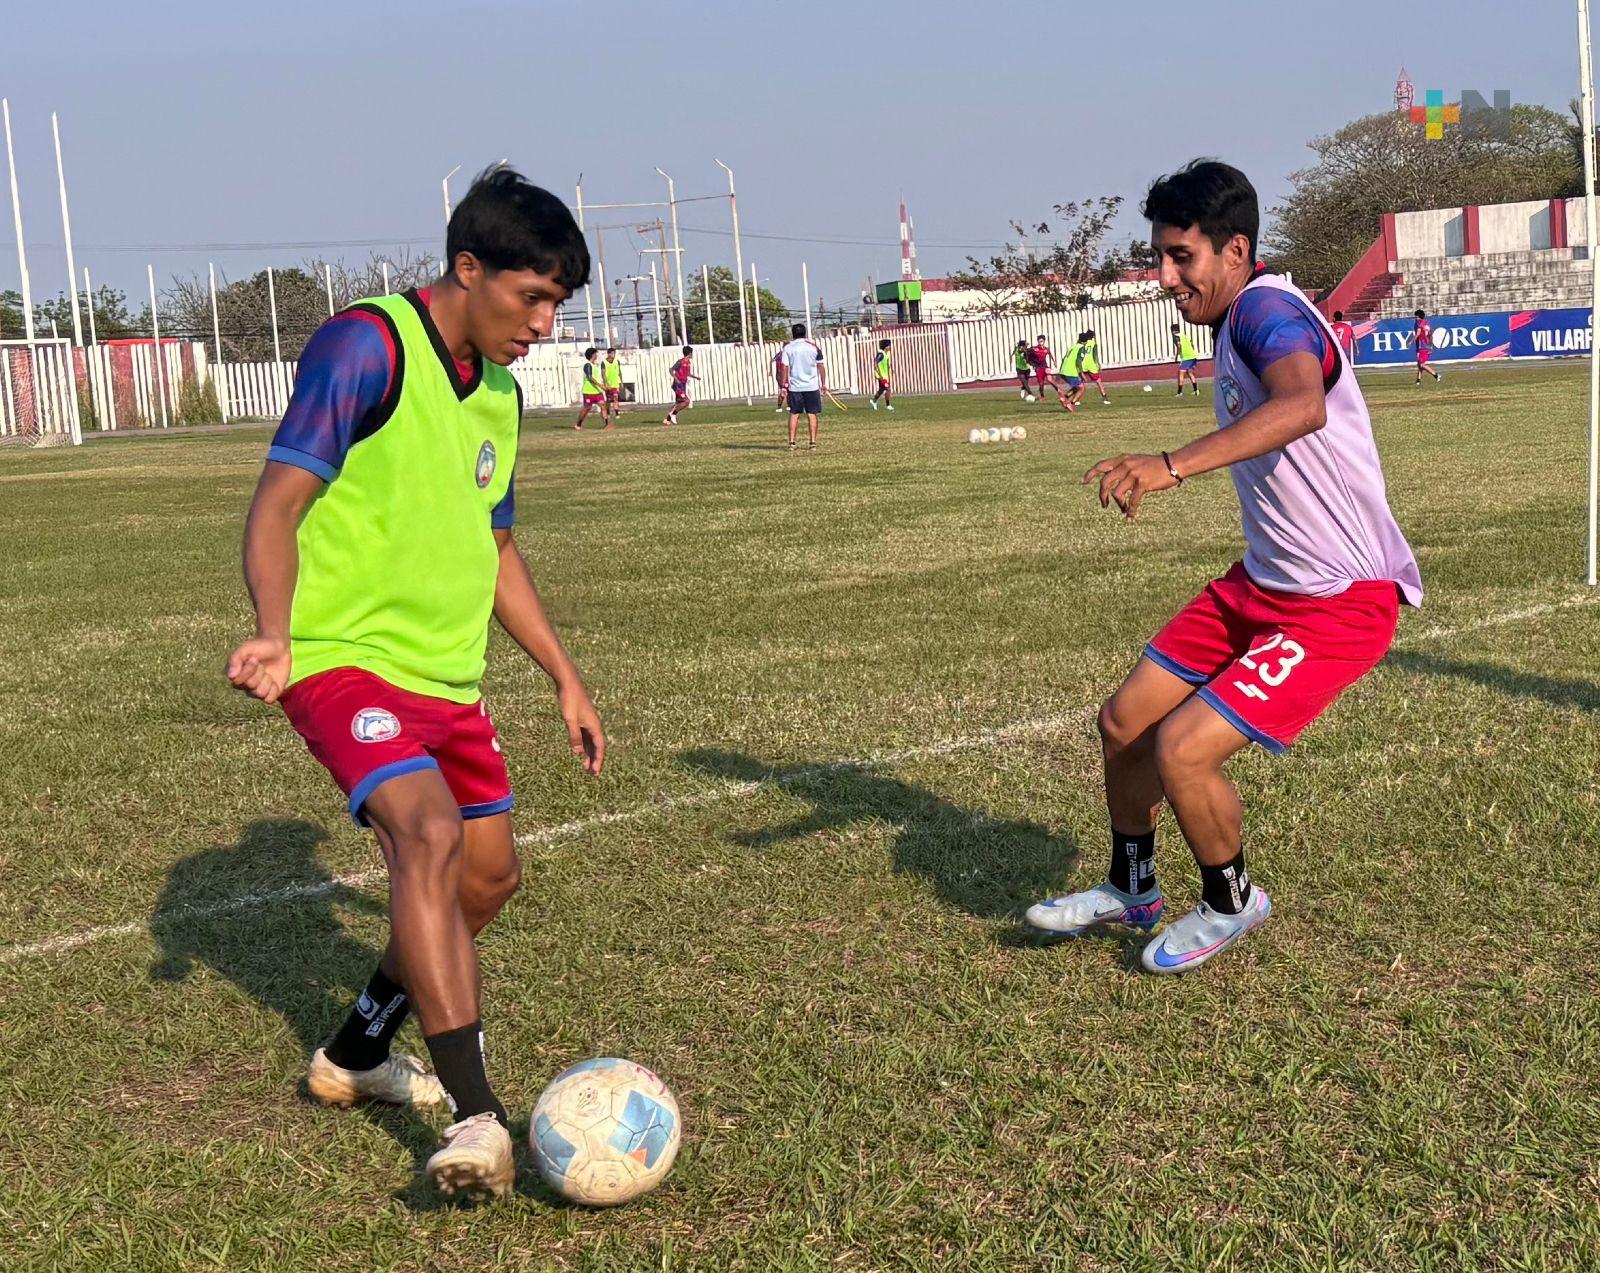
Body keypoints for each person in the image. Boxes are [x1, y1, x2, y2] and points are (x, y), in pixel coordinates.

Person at [224, 166, 606, 1198]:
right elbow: (274, 503)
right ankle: (479, 1116)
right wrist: (274, 630)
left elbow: (497, 550)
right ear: (467, 268)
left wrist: (564, 677)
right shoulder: (367, 345)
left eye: (555, 305)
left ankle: (354, 1055)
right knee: (425, 836)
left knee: (485, 880)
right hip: (344, 659)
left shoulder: (501, 396)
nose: (542, 322)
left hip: (450, 677)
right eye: (531, 296)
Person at [1026, 160, 1421, 975]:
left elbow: (1301, 403)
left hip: (1337, 603)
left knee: (1183, 748)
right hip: (1260, 585)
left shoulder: (1264, 311)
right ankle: (1133, 885)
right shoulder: (1237, 314)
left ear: (1236, 249)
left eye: (1181, 258)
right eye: (1160, 258)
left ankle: (1231, 899)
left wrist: (1169, 464)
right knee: (1125, 721)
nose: (1165, 277)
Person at [781, 322, 825, 451]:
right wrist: (823, 384)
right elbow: (821, 366)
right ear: (804, 333)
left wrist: (783, 386)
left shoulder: (788, 348)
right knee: (812, 413)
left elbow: (784, 367)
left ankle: (792, 443)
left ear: (793, 334)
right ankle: (812, 443)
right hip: (812, 386)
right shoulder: (813, 347)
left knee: (794, 413)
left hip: (795, 387)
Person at [1030, 333, 1070, 407]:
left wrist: (1054, 361)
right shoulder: (1034, 349)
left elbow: (1050, 354)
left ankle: (1059, 391)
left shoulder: (1046, 349)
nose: (1041, 342)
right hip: (1038, 368)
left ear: (1044, 341)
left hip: (1045, 366)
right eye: (1039, 341)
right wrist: (1031, 363)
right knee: (1041, 384)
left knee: (1050, 379)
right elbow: (1029, 355)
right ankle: (1042, 396)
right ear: (1037, 341)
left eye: (1042, 341)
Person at [575, 346, 610, 430]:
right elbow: (590, 377)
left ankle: (606, 425)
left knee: (603, 405)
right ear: (592, 355)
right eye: (595, 354)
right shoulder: (587, 365)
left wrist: (603, 385)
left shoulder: (595, 365)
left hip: (597, 391)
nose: (596, 356)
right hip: (588, 391)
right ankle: (578, 424)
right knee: (587, 408)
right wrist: (601, 386)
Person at [663, 345, 698, 426]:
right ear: (689, 353)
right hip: (678, 385)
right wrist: (676, 378)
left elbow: (688, 373)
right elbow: (671, 369)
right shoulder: (680, 362)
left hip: (683, 384)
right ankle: (673, 415)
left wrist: (696, 377)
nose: (692, 354)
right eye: (692, 353)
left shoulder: (688, 362)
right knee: (686, 401)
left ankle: (667, 420)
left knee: (678, 403)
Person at [1080, 329, 1111, 405]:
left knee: (1080, 383)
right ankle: (1105, 398)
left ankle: (1077, 400)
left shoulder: (1082, 343)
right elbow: (1095, 356)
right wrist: (1098, 364)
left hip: (1082, 364)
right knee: (1098, 382)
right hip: (1091, 365)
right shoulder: (1093, 343)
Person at [1057, 334, 1087, 412]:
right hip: (1070, 371)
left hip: (1064, 370)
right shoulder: (1082, 348)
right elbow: (1078, 362)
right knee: (1082, 388)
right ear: (1086, 341)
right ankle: (1071, 404)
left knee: (1077, 387)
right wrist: (1082, 374)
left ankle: (1064, 398)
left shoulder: (1073, 347)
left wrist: (1060, 372)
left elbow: (1064, 358)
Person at [1413, 309, 1442, 385]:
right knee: (1419, 364)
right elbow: (1430, 335)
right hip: (1426, 346)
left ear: (1420, 317)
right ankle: (1418, 380)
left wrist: (1410, 341)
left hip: (1422, 346)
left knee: (1422, 364)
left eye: (1416, 317)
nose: (1416, 319)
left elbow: (1418, 333)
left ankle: (1436, 375)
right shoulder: (1427, 324)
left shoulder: (1418, 323)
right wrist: (1431, 345)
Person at [1172, 323, 1201, 396]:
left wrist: (1177, 356)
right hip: (1192, 356)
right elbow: (1191, 344)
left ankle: (1179, 392)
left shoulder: (1176, 337)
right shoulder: (1184, 335)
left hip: (1186, 357)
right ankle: (1196, 391)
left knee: (1181, 373)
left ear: (1173, 331)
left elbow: (1179, 346)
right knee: (1189, 373)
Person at [870, 338, 894, 411]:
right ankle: (888, 405)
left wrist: (890, 368)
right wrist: (880, 375)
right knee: (888, 389)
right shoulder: (881, 354)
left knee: (881, 389)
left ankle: (873, 401)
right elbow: (875, 364)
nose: (890, 347)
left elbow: (887, 363)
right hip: (881, 375)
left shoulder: (887, 353)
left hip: (885, 375)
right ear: (885, 346)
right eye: (889, 345)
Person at [602, 346, 623, 422]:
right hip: (608, 385)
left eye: (614, 353)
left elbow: (619, 371)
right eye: (612, 353)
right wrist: (606, 384)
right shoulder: (604, 362)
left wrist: (621, 382)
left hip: (616, 383)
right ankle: (608, 413)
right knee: (608, 400)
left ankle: (617, 413)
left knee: (615, 397)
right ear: (609, 354)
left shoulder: (617, 361)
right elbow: (603, 374)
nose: (614, 355)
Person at [774, 346, 789, 413]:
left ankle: (788, 405)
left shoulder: (779, 354)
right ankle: (780, 406)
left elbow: (772, 361)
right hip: (782, 375)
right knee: (785, 390)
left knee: (786, 390)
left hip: (780, 375)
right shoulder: (784, 354)